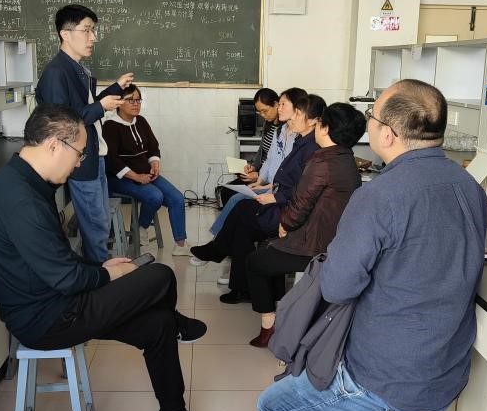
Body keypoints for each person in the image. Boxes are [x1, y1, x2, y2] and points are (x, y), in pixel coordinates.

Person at [258, 79, 487, 411]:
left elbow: (339, 287)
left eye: (373, 117)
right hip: (447, 373)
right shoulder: (468, 186)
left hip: (390, 382)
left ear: (388, 133)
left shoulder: (380, 196)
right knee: (356, 347)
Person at [0, 104, 216, 411]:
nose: (80, 163)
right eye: (79, 153)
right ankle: (178, 324)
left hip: (56, 300)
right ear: (54, 145)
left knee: (158, 325)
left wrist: (100, 269)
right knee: (161, 276)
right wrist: (111, 274)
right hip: (47, 318)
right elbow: (65, 278)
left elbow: (57, 261)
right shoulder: (21, 200)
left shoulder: (26, 181)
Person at [244, 103, 365, 348]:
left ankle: (269, 325)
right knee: (268, 247)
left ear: (326, 129)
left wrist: (285, 224)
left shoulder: (322, 162)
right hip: (331, 239)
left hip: (313, 245)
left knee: (255, 262)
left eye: (320, 123)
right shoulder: (346, 159)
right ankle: (283, 315)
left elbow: (299, 205)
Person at [190, 94, 324, 304]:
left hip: (288, 211)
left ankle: (217, 250)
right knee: (241, 224)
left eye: (296, 113)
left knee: (242, 210)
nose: (290, 116)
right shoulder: (299, 140)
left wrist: (274, 195)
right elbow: (281, 172)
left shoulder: (312, 148)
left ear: (314, 120)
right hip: (280, 198)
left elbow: (303, 191)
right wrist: (267, 185)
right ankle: (240, 287)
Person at [35, 3, 133, 263]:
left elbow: (83, 108)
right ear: (65, 34)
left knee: (99, 222)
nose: (94, 38)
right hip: (79, 160)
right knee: (95, 226)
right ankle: (99, 275)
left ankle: (100, 269)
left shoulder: (76, 69)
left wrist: (114, 89)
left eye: (93, 30)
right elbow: (63, 123)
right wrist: (101, 107)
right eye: (87, 30)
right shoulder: (57, 72)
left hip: (92, 155)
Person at [102, 85, 190, 255]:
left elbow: (153, 147)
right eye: (130, 100)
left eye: (138, 100)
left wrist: (155, 163)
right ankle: (141, 228)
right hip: (121, 178)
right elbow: (112, 160)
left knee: (177, 198)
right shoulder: (110, 126)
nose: (136, 104)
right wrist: (136, 177)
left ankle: (180, 245)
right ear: (119, 103)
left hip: (145, 174)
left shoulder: (141, 121)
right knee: (155, 196)